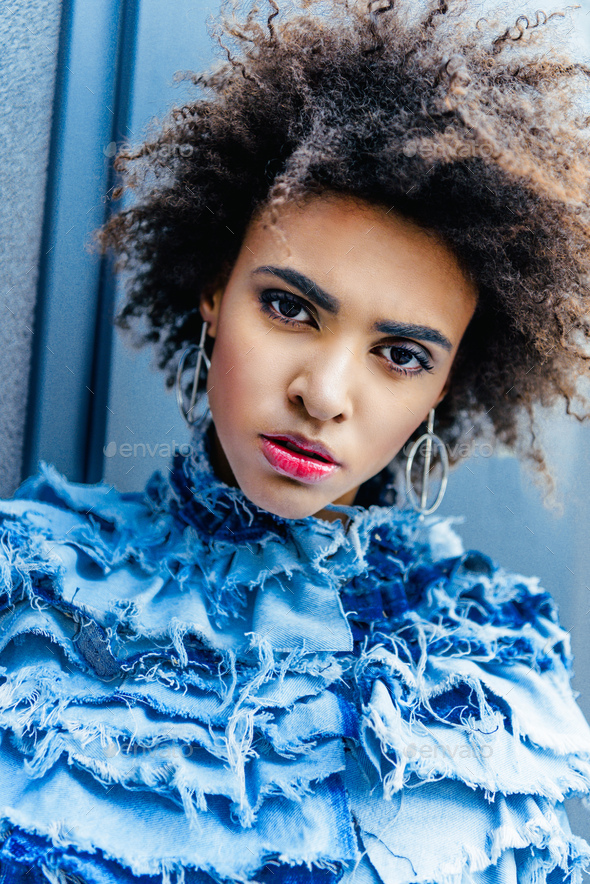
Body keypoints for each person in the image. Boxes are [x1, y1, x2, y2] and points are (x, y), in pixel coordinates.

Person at [1, 0, 590, 881]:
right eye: (289, 307)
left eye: (400, 354)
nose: (324, 393)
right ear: (212, 288)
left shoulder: (498, 671)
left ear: (448, 382)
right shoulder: (30, 588)